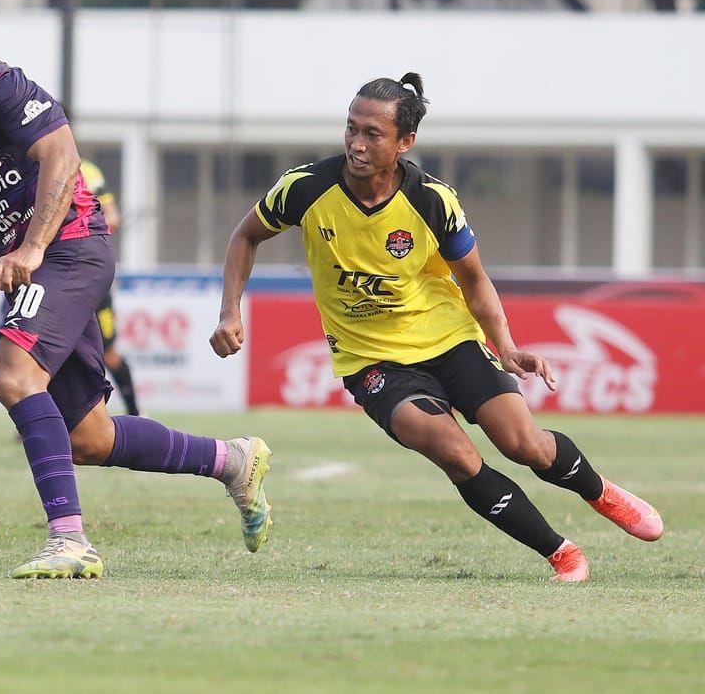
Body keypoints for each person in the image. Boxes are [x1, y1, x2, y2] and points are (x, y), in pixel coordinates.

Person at [0, 0, 273, 580]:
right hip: (27, 267)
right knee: (89, 437)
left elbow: (62, 156)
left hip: (71, 249)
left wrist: (31, 247)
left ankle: (70, 541)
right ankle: (231, 461)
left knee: (14, 375)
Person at [210, 73, 663, 582]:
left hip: (450, 339)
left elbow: (474, 280)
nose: (357, 144)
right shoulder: (305, 188)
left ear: (405, 142)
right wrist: (231, 310)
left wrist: (507, 346)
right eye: (351, 129)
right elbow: (245, 237)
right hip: (372, 360)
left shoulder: (431, 199)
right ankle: (562, 553)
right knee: (456, 453)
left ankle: (600, 491)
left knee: (523, 444)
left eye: (372, 134)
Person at [78, 158, 141, 416]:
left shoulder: (86, 171)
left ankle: (136, 413)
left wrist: (74, 228)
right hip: (47, 278)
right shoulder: (24, 169)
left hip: (91, 278)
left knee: (108, 353)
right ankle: (38, 422)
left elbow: (112, 218)